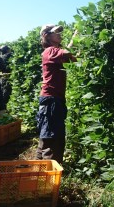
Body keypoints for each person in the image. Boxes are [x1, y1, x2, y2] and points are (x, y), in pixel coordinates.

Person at [36, 24, 78, 164]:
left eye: (60, 32)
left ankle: (40, 167)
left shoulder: (56, 52)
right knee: (52, 136)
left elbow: (72, 59)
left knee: (48, 134)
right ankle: (49, 173)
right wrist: (75, 37)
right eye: (56, 32)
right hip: (51, 99)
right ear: (47, 36)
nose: (60, 34)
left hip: (54, 98)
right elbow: (67, 53)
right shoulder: (50, 51)